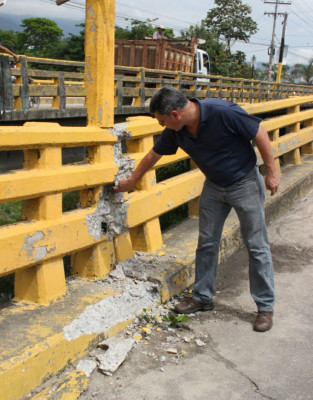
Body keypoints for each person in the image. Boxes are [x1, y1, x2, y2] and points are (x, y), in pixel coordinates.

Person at [113, 86, 280, 333]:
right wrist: (133, 179)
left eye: (161, 121)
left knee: (256, 244)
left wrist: (272, 172)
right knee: (207, 243)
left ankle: (265, 307)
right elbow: (153, 154)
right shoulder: (176, 130)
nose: (161, 126)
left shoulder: (222, 112)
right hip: (213, 186)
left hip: (245, 182)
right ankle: (202, 297)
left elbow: (260, 132)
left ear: (175, 115)